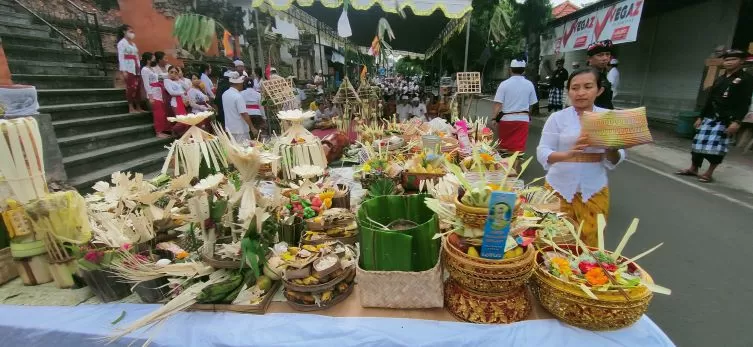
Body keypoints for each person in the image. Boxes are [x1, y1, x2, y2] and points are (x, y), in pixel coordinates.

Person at [536, 67, 626, 247]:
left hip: (594, 188)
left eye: (587, 87)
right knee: (551, 240)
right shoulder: (557, 118)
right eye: (575, 88)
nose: (581, 93)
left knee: (591, 241)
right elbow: (543, 151)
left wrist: (611, 148)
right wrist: (568, 154)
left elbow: (617, 157)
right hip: (557, 187)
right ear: (568, 91)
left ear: (599, 90)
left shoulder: (608, 118)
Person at [675, 49, 753, 183]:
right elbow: (709, 99)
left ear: (741, 62)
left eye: (733, 60)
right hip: (709, 116)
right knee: (697, 144)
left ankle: (709, 173)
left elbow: (744, 103)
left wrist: (737, 121)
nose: (729, 62)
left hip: (727, 119)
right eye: (727, 60)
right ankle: (693, 168)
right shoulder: (721, 78)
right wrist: (700, 116)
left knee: (717, 147)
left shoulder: (745, 79)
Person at [493, 59, 538, 153]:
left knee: (504, 146)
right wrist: (527, 117)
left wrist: (494, 118)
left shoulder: (504, 84)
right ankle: (516, 167)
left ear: (510, 70)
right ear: (524, 70)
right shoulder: (529, 85)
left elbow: (498, 104)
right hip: (522, 120)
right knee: (519, 148)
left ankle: (504, 166)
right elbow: (531, 104)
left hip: (506, 120)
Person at [141, 52, 171, 138]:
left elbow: (159, 76)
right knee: (158, 113)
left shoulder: (151, 69)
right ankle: (158, 132)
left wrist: (170, 73)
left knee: (162, 113)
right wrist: (150, 97)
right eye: (153, 58)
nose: (155, 59)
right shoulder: (145, 70)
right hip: (153, 93)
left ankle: (164, 129)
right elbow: (146, 84)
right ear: (148, 60)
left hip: (158, 92)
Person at [222, 72, 257, 143]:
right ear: (238, 83)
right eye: (242, 83)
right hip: (240, 129)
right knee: (244, 150)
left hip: (230, 128)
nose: (243, 85)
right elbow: (243, 113)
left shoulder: (225, 94)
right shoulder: (238, 96)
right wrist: (252, 127)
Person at [117, 24, 143, 113]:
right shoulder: (121, 43)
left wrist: (139, 66)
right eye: (130, 31)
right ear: (124, 32)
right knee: (131, 87)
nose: (132, 33)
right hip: (128, 67)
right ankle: (131, 107)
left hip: (136, 66)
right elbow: (121, 57)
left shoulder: (133, 44)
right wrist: (123, 70)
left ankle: (138, 107)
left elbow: (136, 56)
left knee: (138, 87)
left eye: (132, 32)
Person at [586, 40, 614, 109]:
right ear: (589, 58)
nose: (605, 58)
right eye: (600, 55)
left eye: (607, 54)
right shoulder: (587, 76)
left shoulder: (602, 74)